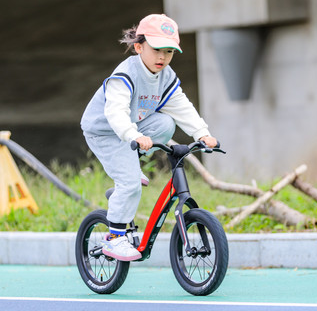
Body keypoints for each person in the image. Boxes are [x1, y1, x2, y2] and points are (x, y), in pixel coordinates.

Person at [80, 14, 217, 261]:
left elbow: (180, 106)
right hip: (105, 131)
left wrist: (202, 133)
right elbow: (116, 111)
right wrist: (133, 135)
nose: (162, 58)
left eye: (169, 52)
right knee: (130, 183)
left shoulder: (166, 76)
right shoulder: (126, 74)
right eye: (156, 50)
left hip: (133, 129)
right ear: (139, 46)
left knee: (166, 123)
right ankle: (114, 238)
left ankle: (130, 171)